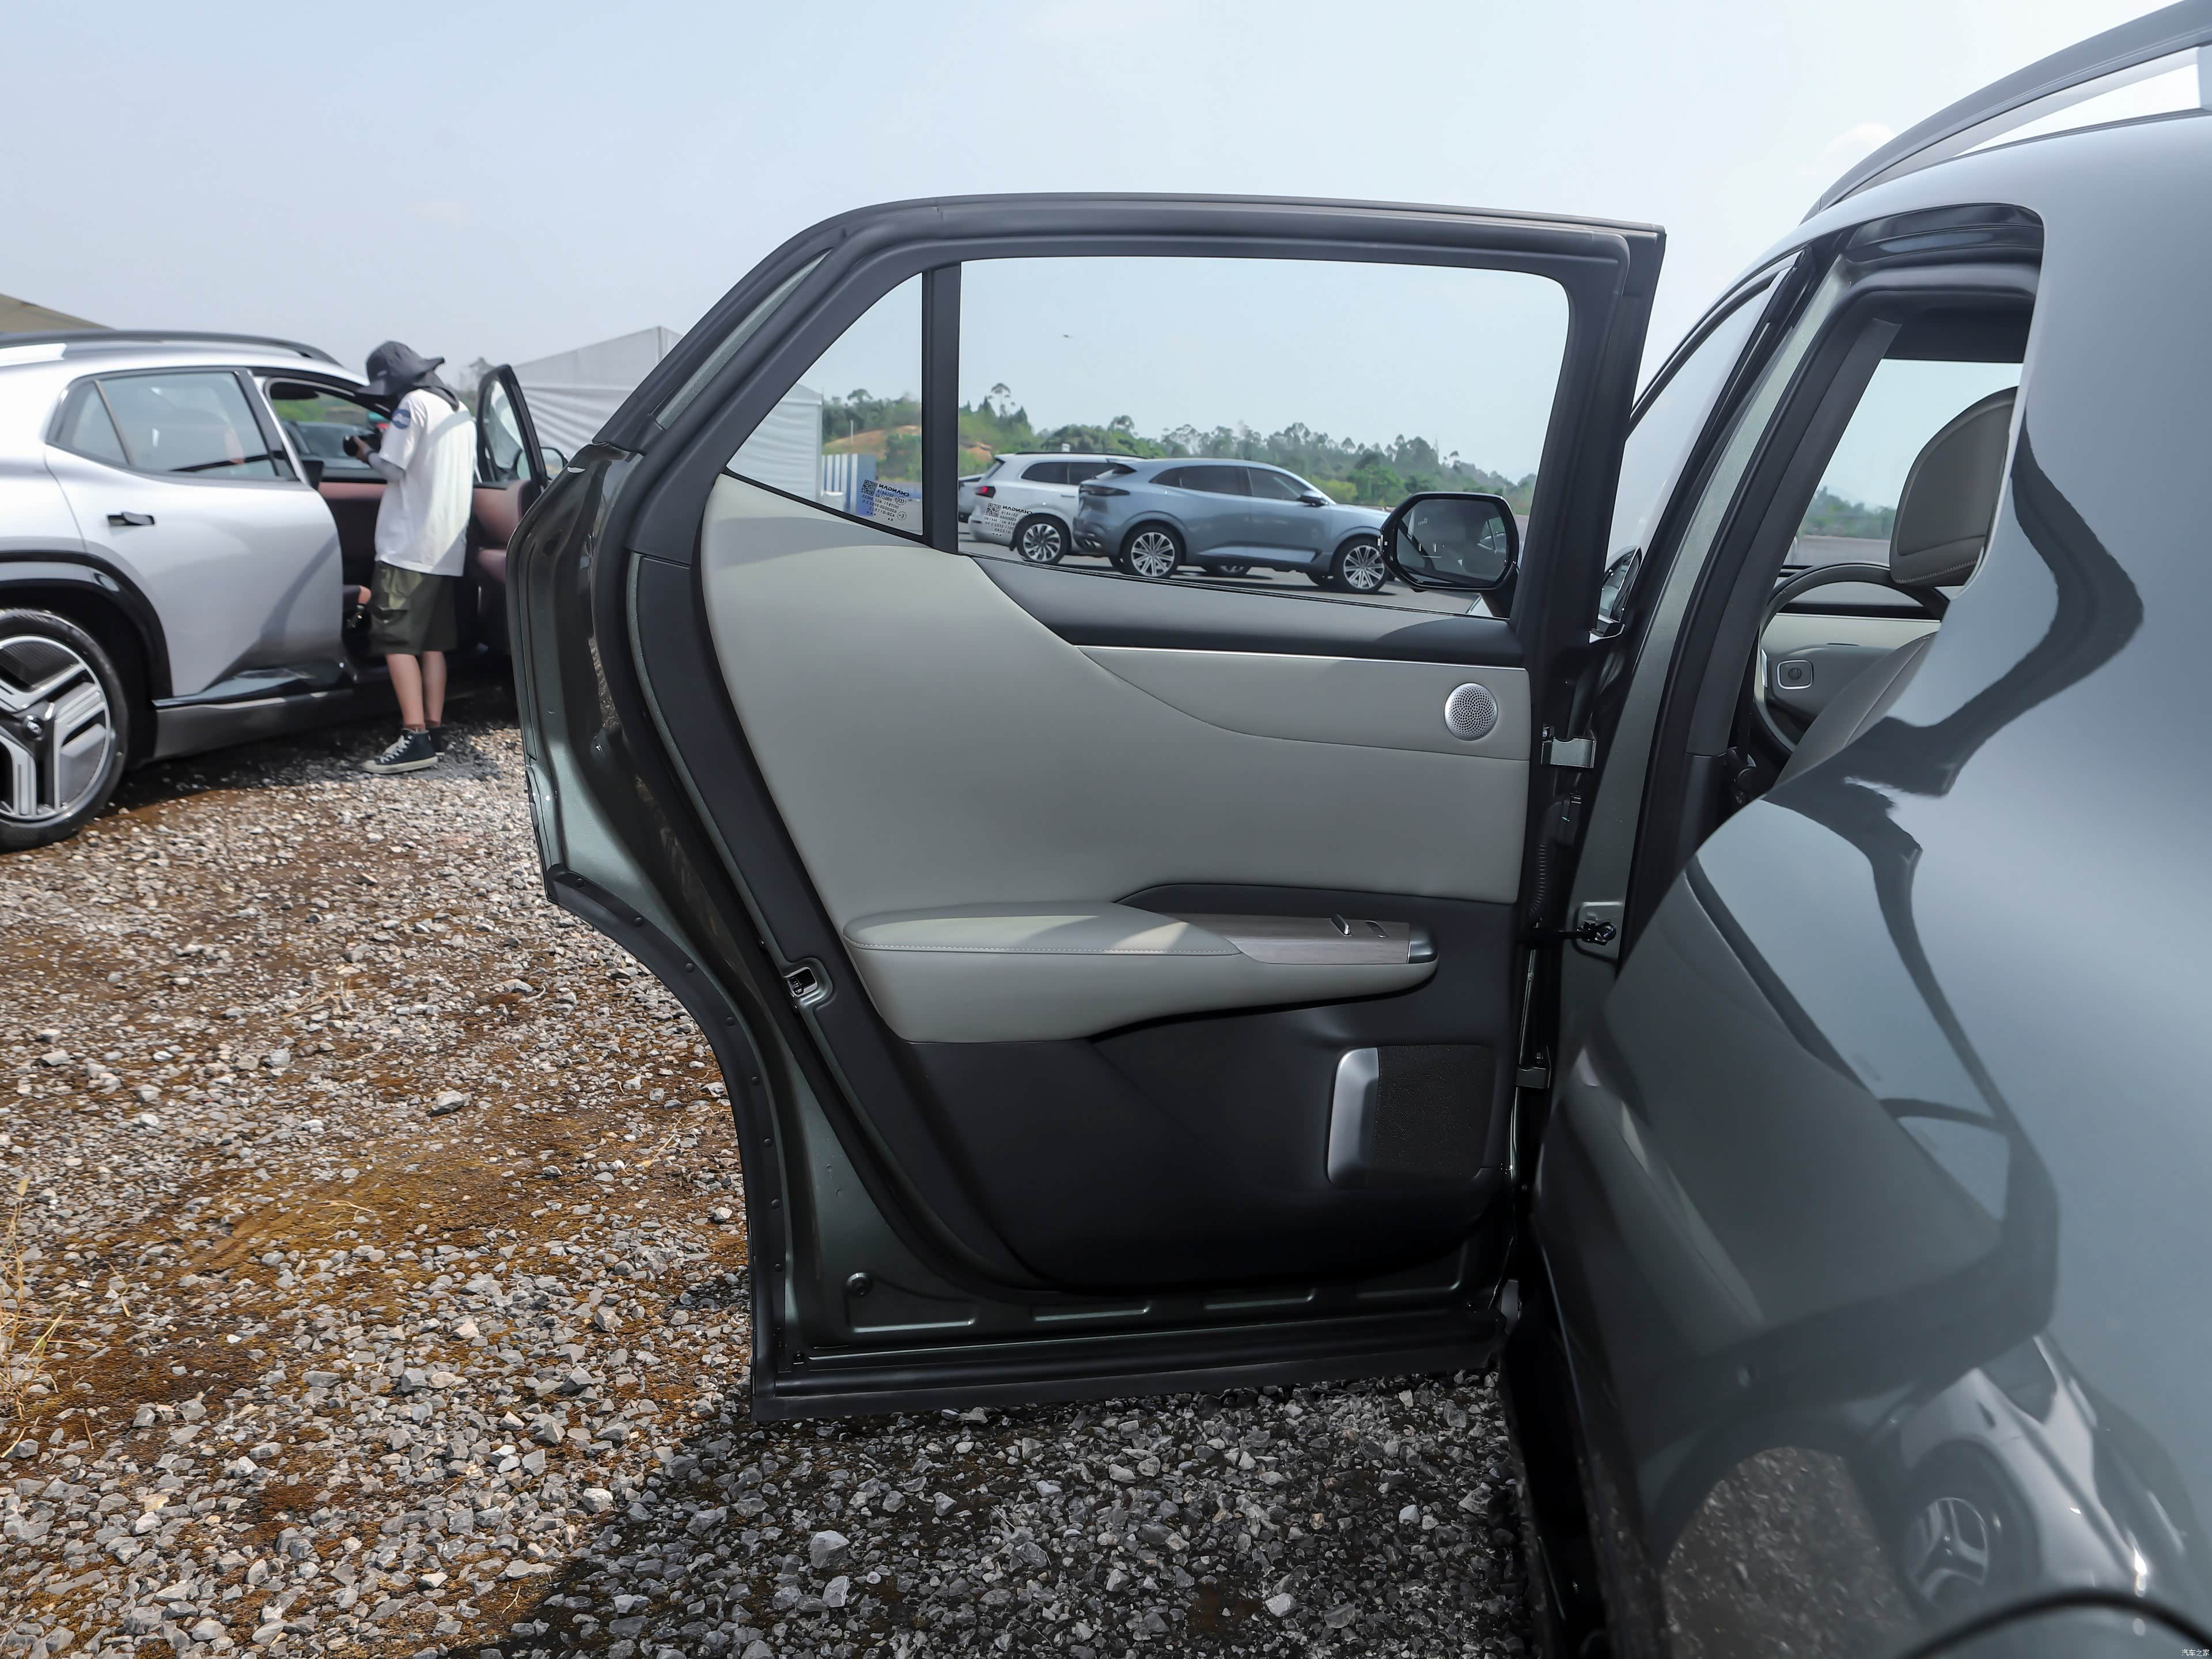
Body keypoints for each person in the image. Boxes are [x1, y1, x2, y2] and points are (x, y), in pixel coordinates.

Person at [347, 341, 475, 775]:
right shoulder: (459, 410)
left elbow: (393, 469)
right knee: (433, 644)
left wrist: (364, 452)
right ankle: (434, 732)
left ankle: (414, 735)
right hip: (446, 547)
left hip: (408, 546)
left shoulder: (413, 405)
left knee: (396, 641)